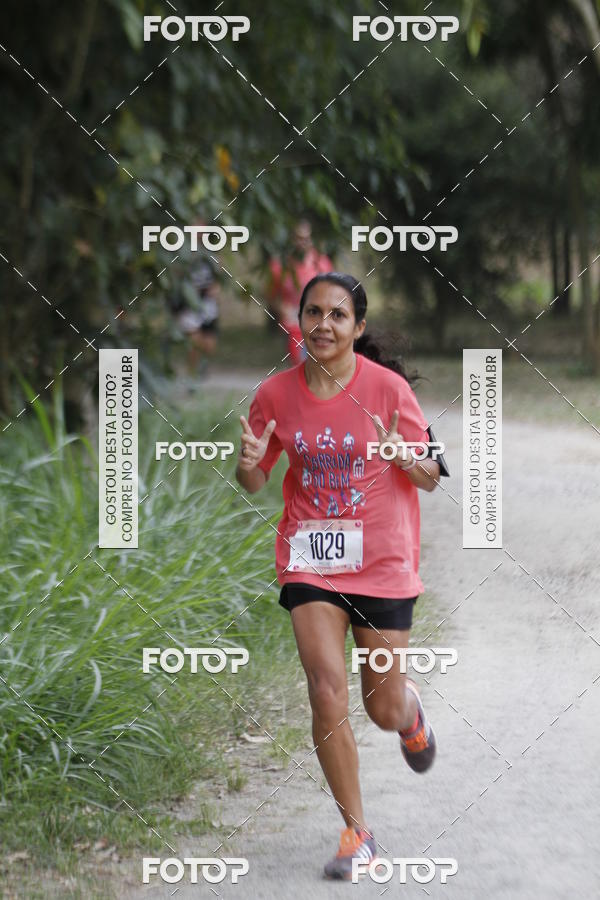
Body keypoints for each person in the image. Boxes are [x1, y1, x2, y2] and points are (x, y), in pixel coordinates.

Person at [235, 272, 450, 880]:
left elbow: (432, 476)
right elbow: (254, 480)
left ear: (357, 328)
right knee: (325, 686)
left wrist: (403, 455)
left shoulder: (386, 391)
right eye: (312, 313)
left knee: (380, 706)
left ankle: (409, 717)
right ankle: (357, 832)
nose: (322, 325)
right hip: (311, 560)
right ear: (298, 321)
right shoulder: (275, 395)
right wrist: (247, 466)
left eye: (337, 315)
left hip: (381, 564)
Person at [267, 219, 333, 364]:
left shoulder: (322, 264)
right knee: (300, 367)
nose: (301, 242)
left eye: (306, 238)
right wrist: (283, 309)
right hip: (293, 326)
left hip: (318, 324)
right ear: (291, 239)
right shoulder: (279, 266)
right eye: (298, 238)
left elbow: (331, 295)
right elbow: (271, 296)